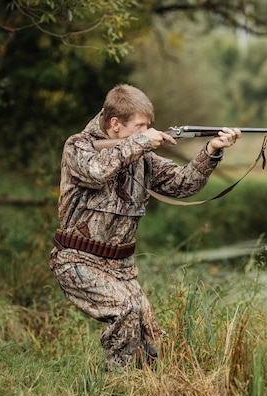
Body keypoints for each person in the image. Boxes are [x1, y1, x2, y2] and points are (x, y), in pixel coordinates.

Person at [49, 84, 241, 371]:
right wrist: (139, 143)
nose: (147, 132)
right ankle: (117, 388)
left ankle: (149, 394)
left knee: (154, 341)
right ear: (115, 124)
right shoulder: (78, 146)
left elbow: (182, 184)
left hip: (121, 267)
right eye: (140, 126)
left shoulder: (142, 157)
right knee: (125, 311)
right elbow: (96, 171)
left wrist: (212, 150)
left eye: (148, 126)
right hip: (77, 260)